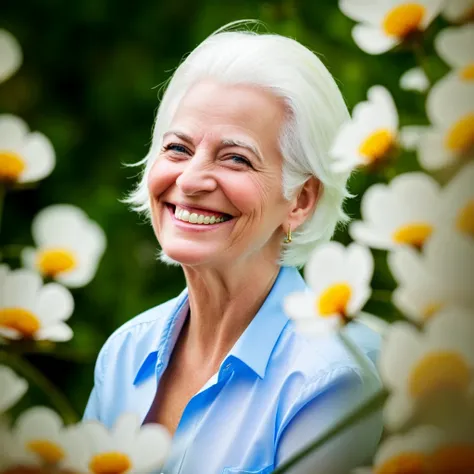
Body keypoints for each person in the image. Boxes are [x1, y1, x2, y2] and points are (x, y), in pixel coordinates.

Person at [84, 20, 383, 474]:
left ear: (301, 200)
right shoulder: (125, 351)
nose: (190, 180)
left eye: (236, 158)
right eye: (178, 149)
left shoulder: (333, 379)